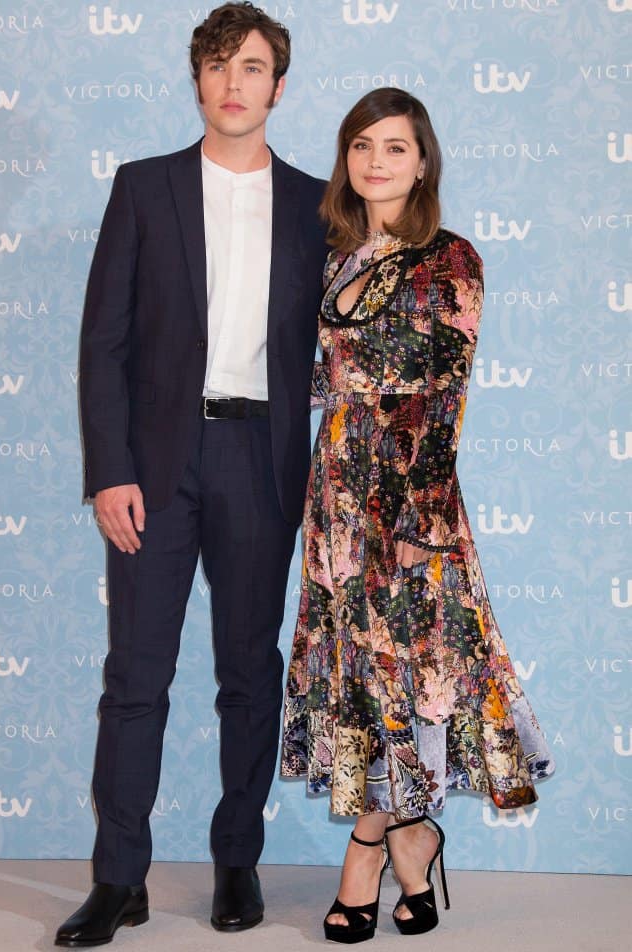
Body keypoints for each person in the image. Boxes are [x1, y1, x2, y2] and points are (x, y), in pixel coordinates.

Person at [55, 3, 328, 946]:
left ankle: (237, 864)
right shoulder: (144, 187)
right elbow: (104, 344)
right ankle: (118, 880)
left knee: (250, 674)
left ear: (277, 86)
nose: (233, 82)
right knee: (136, 678)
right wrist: (109, 472)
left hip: (261, 462)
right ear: (197, 79)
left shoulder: (316, 204)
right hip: (156, 469)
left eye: (251, 66)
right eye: (216, 64)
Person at [281, 87, 554, 943]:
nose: (376, 161)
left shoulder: (452, 259)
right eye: (362, 145)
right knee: (355, 673)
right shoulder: (333, 260)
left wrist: (419, 515)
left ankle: (370, 843)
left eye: (395, 147)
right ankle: (415, 836)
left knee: (409, 671)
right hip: (335, 503)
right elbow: (321, 385)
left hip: (408, 505)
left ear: (423, 160)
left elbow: (446, 391)